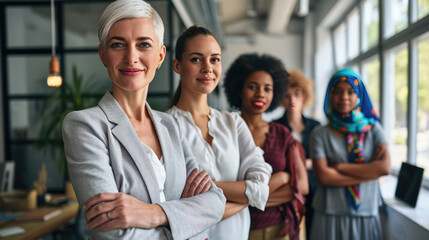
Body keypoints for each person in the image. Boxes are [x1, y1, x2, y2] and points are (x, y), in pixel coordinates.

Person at [62, 1, 226, 239]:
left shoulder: (171, 126)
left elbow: (215, 201)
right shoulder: (85, 125)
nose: (131, 57)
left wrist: (154, 213)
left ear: (160, 56)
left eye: (144, 45)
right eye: (118, 44)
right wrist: (188, 225)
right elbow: (113, 229)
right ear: (103, 54)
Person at [167, 26, 272, 240]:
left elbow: (261, 189)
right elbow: (173, 205)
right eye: (196, 59)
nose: (207, 68)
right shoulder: (164, 126)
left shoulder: (233, 123)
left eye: (214, 59)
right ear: (177, 65)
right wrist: (245, 196)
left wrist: (206, 189)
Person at [223, 53, 309, 240]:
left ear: (275, 93)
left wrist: (247, 197)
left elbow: (302, 186)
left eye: (267, 89)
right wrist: (283, 178)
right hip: (234, 229)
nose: (260, 94)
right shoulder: (225, 133)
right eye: (252, 87)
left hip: (279, 229)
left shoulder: (282, 134)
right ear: (239, 89)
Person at [310, 68, 390, 240]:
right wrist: (369, 172)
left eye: (351, 92)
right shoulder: (320, 133)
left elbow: (384, 168)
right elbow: (323, 177)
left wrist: (340, 167)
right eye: (337, 91)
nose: (344, 97)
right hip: (329, 213)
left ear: (360, 95)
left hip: (366, 212)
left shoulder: (373, 128)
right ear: (330, 95)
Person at [274, 69, 320, 237]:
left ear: (305, 96)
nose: (292, 100)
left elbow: (325, 160)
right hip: (288, 191)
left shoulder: (315, 126)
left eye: (297, 94)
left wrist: (308, 163)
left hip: (315, 190)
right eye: (287, 95)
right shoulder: (275, 127)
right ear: (281, 99)